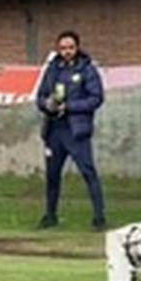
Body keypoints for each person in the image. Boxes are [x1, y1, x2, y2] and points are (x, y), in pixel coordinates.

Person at [34, 30, 106, 231]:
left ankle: (99, 217)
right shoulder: (52, 69)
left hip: (76, 131)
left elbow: (96, 98)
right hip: (54, 130)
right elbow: (40, 96)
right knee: (52, 175)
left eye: (71, 48)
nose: (67, 51)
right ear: (58, 48)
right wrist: (47, 105)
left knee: (88, 172)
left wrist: (71, 107)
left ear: (77, 48)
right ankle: (50, 215)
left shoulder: (87, 69)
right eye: (63, 48)